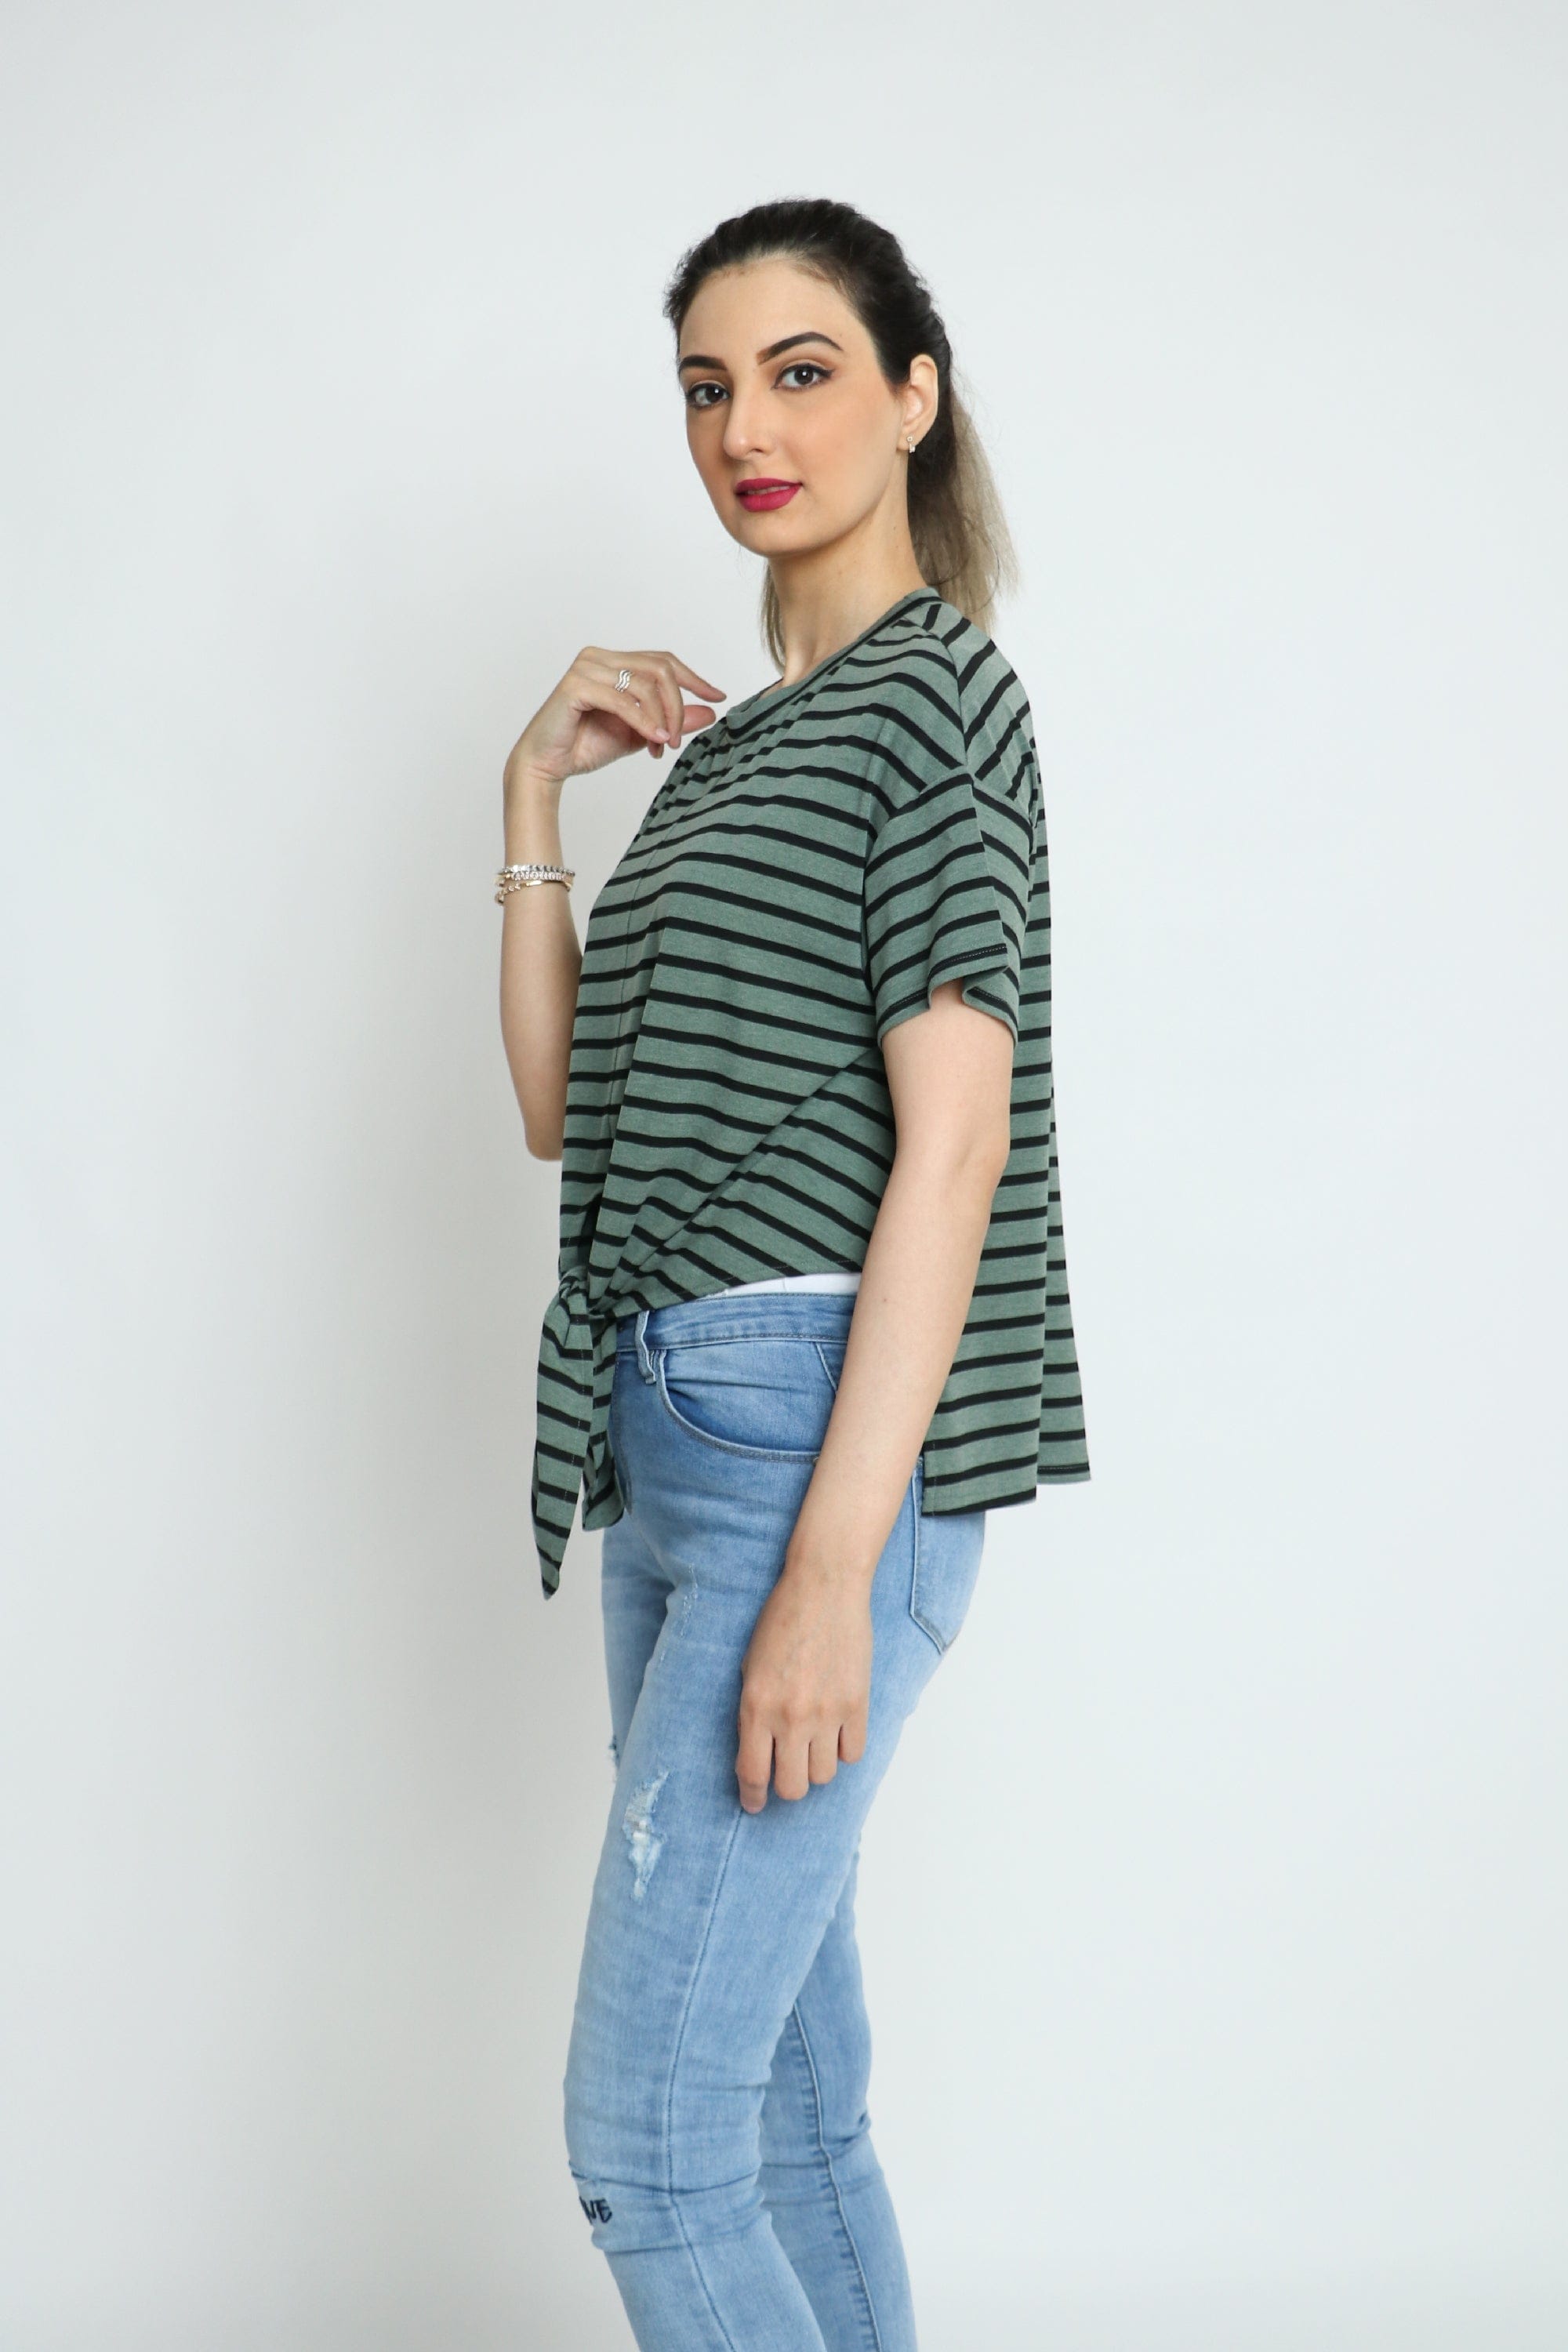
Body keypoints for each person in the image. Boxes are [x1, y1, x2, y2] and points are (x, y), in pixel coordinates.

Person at [497, 197, 1091, 2352]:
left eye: (803, 371)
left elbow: (956, 1150)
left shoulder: (937, 702)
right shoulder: (742, 744)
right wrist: (532, 800)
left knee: (649, 2141)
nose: (746, 427)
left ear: (915, 397)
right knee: (773, 2115)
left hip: (805, 1450)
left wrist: (837, 1569)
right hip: (670, 1442)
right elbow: (566, 1109)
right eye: (707, 387)